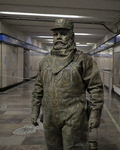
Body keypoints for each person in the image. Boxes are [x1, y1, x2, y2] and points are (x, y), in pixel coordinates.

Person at [31, 18, 104, 150]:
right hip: (49, 116)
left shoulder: (83, 60)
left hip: (74, 117)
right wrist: (35, 110)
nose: (58, 37)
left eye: (63, 34)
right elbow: (38, 88)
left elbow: (96, 88)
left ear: (72, 35)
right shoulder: (45, 62)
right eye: (55, 34)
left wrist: (95, 113)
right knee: (53, 147)